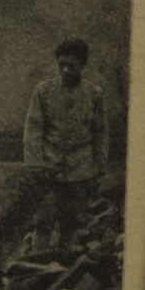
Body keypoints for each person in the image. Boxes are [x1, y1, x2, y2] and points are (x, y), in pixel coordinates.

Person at [23, 38, 108, 258]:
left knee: (72, 222)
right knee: (43, 220)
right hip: (49, 171)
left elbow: (100, 133)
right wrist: (35, 166)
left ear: (83, 65)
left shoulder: (94, 94)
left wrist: (99, 168)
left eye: (72, 65)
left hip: (80, 171)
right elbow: (34, 130)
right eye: (62, 64)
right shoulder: (43, 91)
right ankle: (37, 262)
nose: (66, 70)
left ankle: (64, 264)